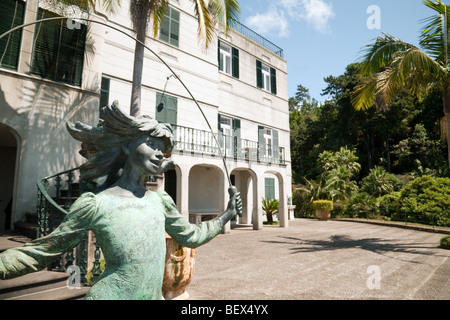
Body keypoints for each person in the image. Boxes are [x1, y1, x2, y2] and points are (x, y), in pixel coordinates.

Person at [0, 102, 242, 300]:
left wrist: (226, 214)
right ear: (126, 146)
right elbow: (41, 252)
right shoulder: (95, 204)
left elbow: (191, 237)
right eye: (151, 144)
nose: (159, 153)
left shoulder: (160, 200)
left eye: (163, 149)